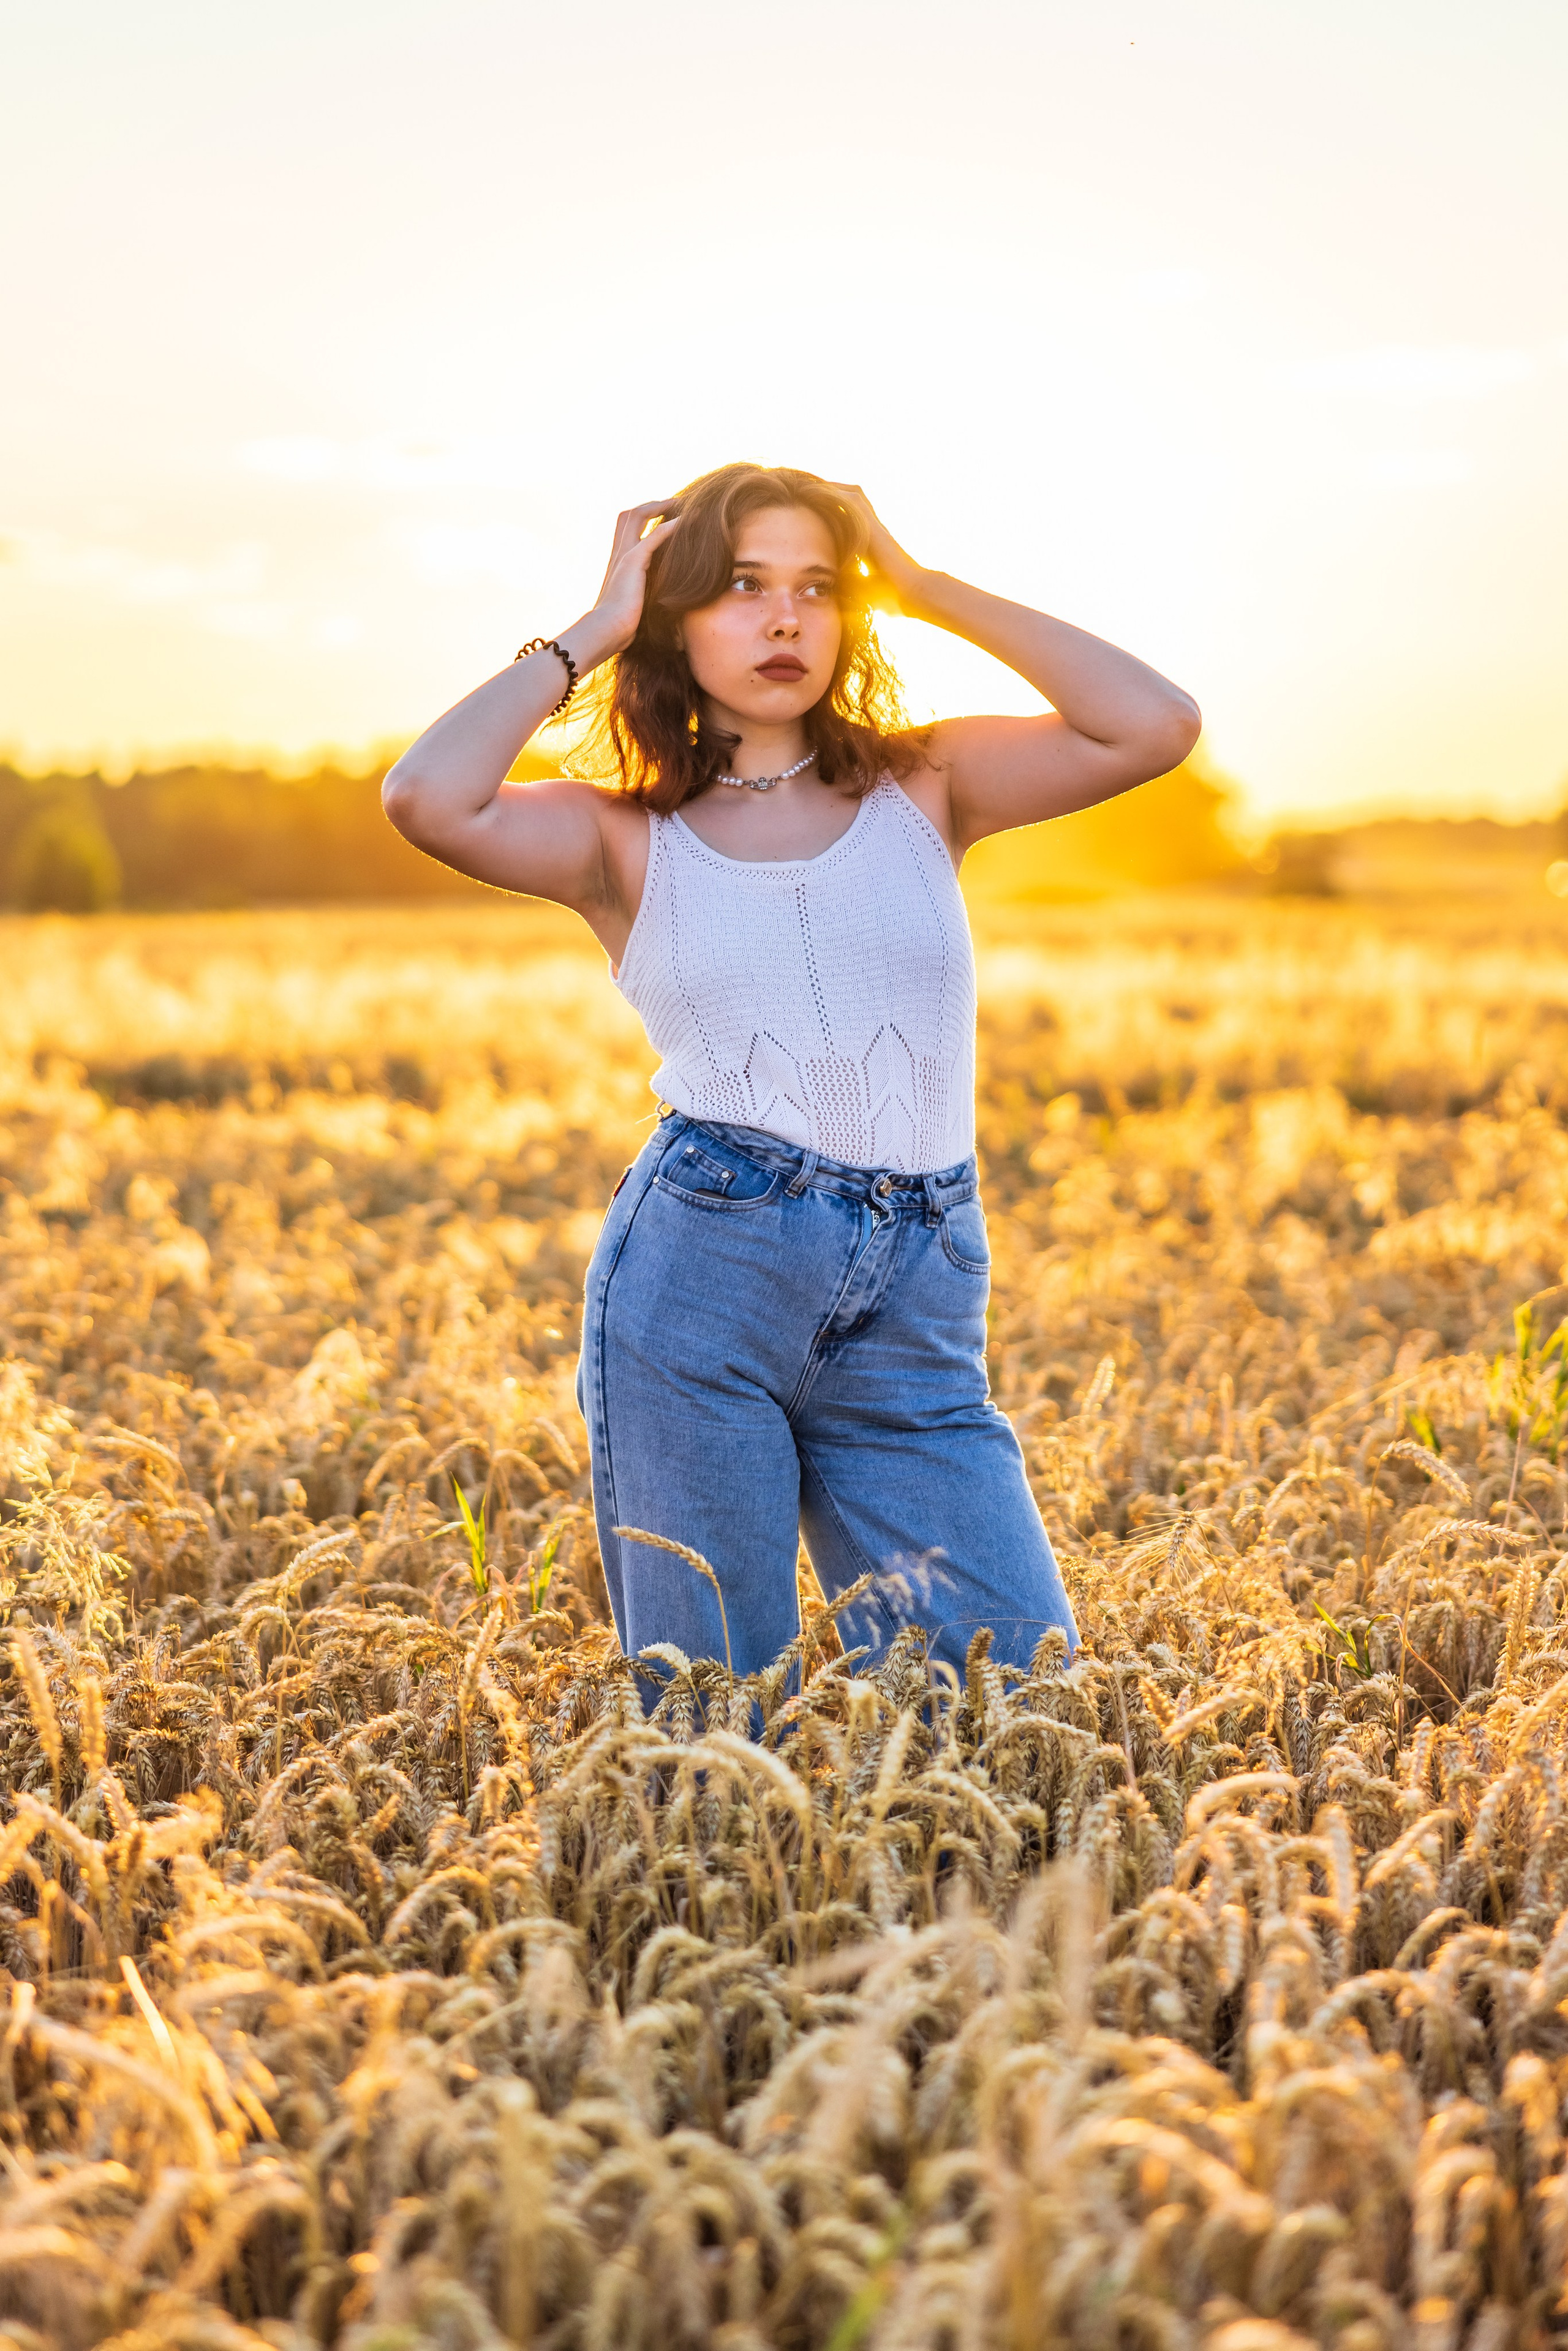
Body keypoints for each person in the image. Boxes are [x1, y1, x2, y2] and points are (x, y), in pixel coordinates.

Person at [382, 463, 1200, 1693]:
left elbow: (1153, 723)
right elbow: (425, 795)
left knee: (1015, 1702)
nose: (782, 619)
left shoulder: (926, 781)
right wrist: (593, 629)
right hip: (704, 1278)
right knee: (714, 1720)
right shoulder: (617, 833)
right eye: (740, 588)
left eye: (817, 588)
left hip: (917, 1292)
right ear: (675, 617)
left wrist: (919, 584)